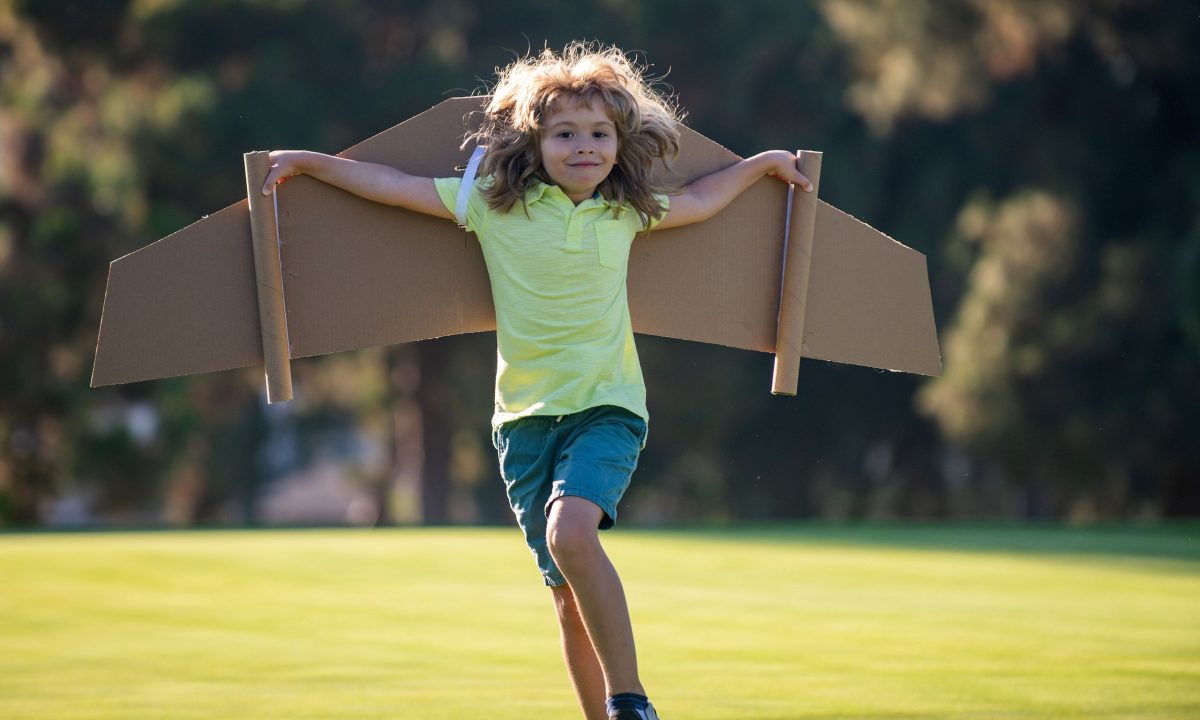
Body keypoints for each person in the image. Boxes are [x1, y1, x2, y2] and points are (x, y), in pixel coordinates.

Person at [262, 40, 812, 720]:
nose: (584, 147)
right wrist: (312, 165)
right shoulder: (492, 207)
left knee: (570, 534)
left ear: (619, 143)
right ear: (535, 141)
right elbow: (391, 189)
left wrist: (760, 166)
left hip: (607, 408)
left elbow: (701, 200)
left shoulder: (625, 214)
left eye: (599, 135)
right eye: (565, 135)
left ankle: (632, 699)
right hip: (521, 423)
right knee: (563, 597)